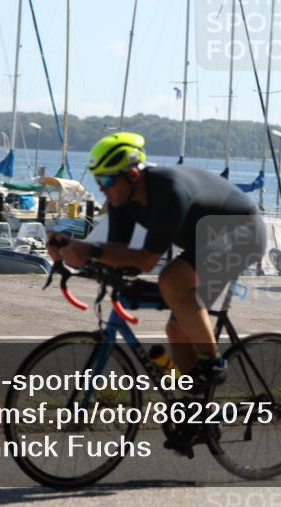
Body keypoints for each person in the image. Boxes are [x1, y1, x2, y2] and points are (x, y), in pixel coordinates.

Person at [48, 132, 265, 387]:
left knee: (172, 279)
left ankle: (213, 364)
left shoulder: (167, 190)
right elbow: (117, 251)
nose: (101, 187)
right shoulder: (122, 199)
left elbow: (147, 260)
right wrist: (70, 253)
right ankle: (194, 405)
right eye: (98, 179)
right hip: (205, 241)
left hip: (242, 232)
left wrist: (91, 251)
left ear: (132, 174)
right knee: (177, 329)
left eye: (107, 179)